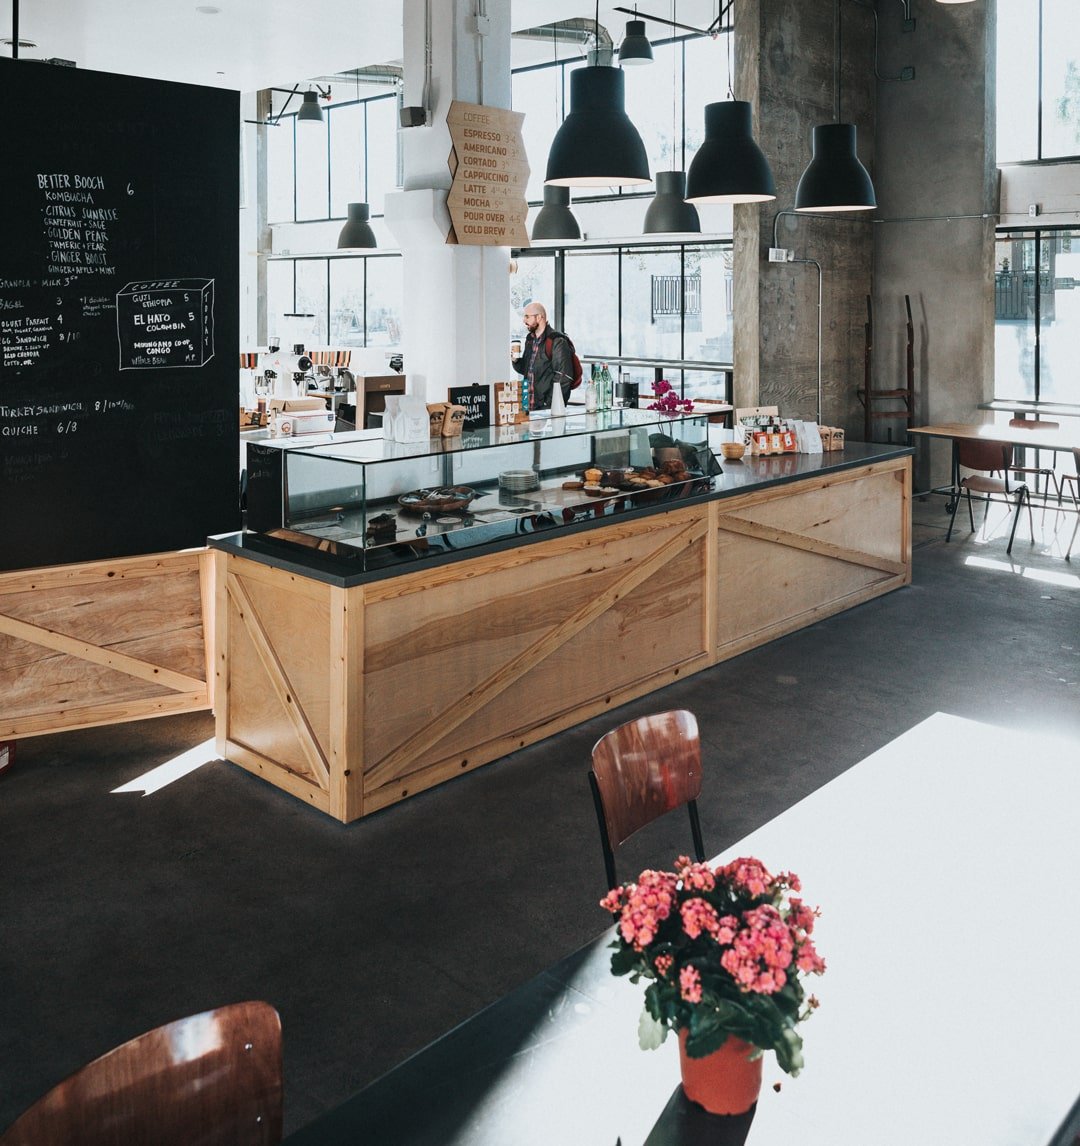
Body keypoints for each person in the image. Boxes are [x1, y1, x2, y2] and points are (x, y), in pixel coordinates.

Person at [511, 302, 574, 410]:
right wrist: (516, 361)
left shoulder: (557, 341)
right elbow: (526, 371)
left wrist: (548, 404)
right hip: (529, 407)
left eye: (527, 316)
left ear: (539, 317)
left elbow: (564, 378)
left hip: (546, 410)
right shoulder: (530, 339)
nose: (524, 321)